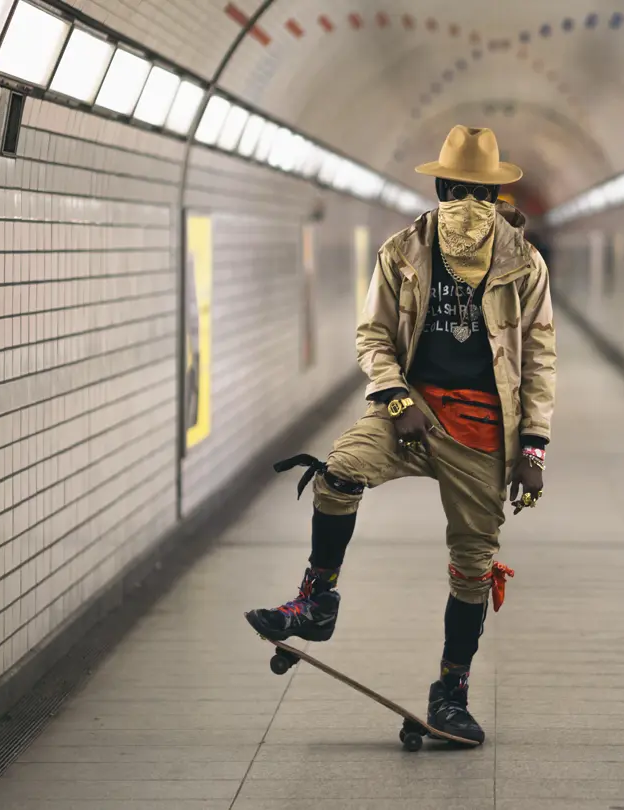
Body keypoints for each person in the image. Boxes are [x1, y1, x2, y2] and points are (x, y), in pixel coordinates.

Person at [245, 125, 557, 745]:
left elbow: (539, 354)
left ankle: (451, 692)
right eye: (457, 188)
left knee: (472, 566)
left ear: (495, 196)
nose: (467, 201)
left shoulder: (524, 264)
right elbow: (373, 335)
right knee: (337, 472)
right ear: (440, 186)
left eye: (480, 191)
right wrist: (393, 395)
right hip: (410, 412)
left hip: (484, 430)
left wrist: (533, 446)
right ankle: (317, 601)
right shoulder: (404, 252)